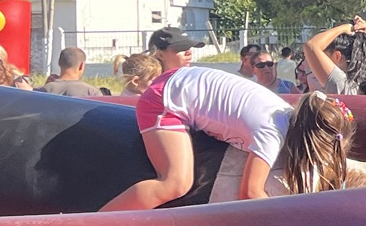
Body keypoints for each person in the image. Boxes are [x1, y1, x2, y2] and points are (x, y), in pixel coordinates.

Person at [101, 28, 291, 209]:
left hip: (175, 90)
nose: (189, 53)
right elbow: (250, 193)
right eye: (180, 49)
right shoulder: (273, 129)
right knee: (175, 183)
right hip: (168, 98)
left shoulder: (280, 113)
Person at [302, 18, 366, 93]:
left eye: (324, 55)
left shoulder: (340, 84)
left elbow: (311, 45)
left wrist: (344, 28)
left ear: (337, 56)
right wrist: (364, 35)